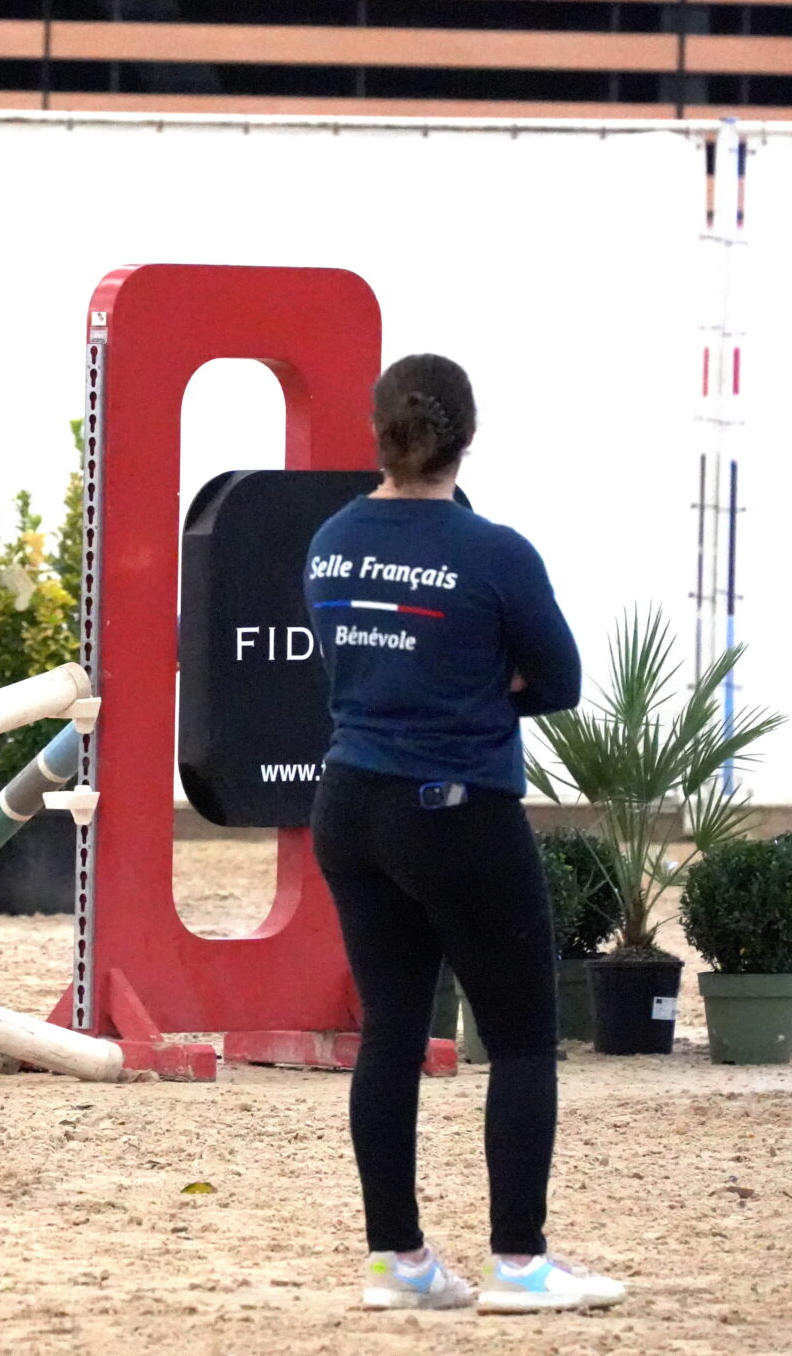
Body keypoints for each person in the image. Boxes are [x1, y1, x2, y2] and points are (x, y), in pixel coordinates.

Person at [302, 353, 621, 1315]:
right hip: (455, 808)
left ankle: (397, 1261)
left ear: (378, 433)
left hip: (350, 802)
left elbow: (355, 667)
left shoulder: (330, 542)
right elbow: (559, 681)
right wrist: (479, 682)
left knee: (391, 1031)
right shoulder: (494, 552)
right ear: (466, 437)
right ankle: (519, 1262)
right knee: (521, 1038)